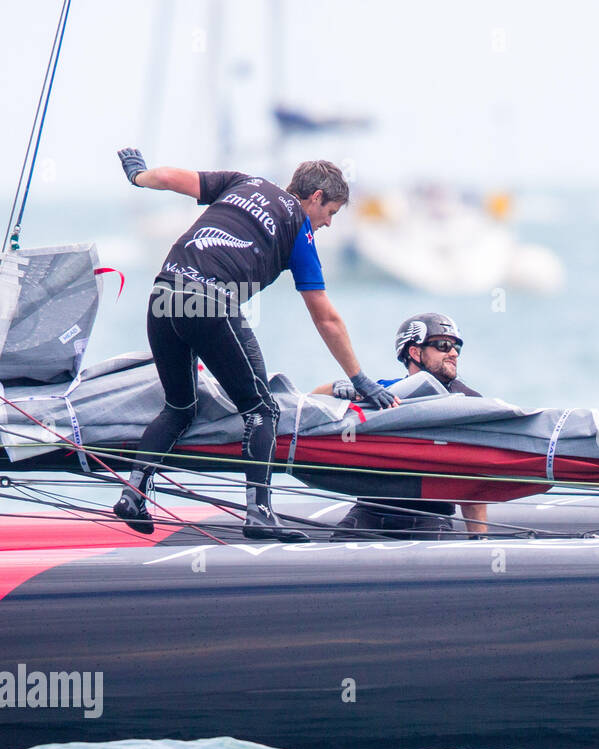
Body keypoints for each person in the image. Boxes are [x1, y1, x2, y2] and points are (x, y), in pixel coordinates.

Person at [111, 149, 397, 542]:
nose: (329, 222)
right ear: (314, 196)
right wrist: (360, 379)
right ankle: (259, 513)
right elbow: (324, 315)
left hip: (162, 297)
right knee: (262, 410)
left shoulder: (244, 183)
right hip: (207, 301)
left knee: (179, 407)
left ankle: (133, 493)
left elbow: (174, 178)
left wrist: (137, 175)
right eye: (331, 211)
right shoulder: (300, 228)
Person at [313, 313, 489, 537]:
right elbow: (312, 403)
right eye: (444, 345)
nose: (453, 353)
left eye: (456, 348)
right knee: (336, 549)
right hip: (372, 510)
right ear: (414, 352)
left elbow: (475, 477)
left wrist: (479, 538)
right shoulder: (385, 392)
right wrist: (335, 387)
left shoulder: (468, 402)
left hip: (429, 515)